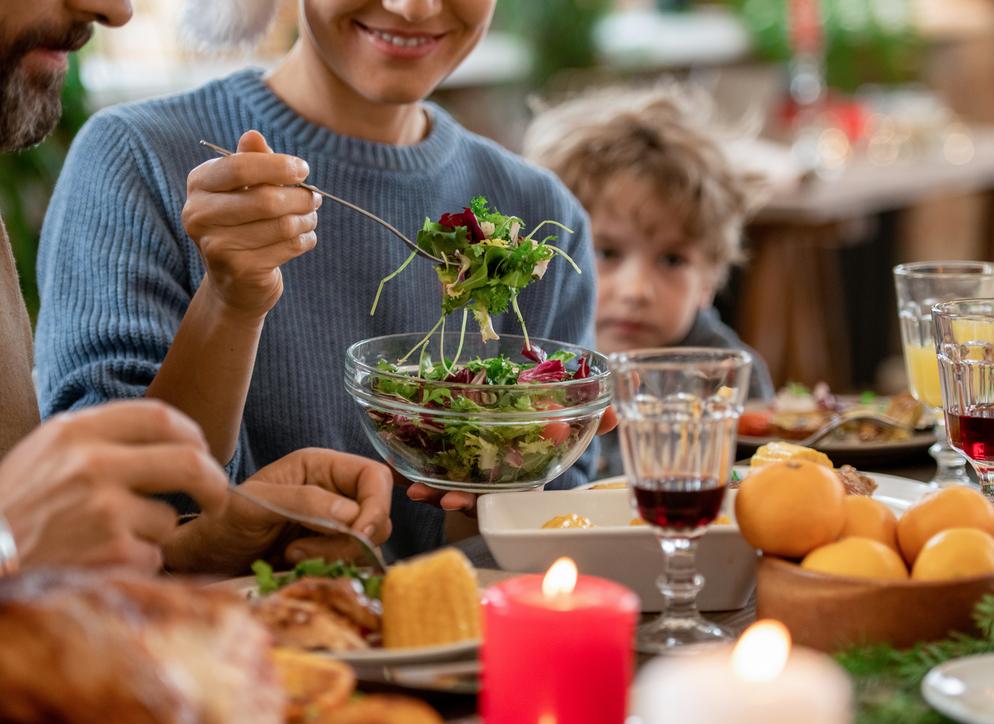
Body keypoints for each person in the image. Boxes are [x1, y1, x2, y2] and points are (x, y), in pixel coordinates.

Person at [36, 0, 613, 557]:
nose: (412, 8)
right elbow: (104, 507)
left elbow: (546, 551)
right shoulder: (138, 158)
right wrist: (230, 301)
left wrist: (495, 481)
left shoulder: (543, 219)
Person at [0, 0, 393, 574]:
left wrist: (204, 547)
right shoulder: (133, 151)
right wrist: (12, 539)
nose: (116, 11)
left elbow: (57, 561)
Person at [522, 85, 775, 476]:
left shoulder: (728, 380)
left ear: (708, 279)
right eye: (606, 253)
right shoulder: (523, 367)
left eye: (672, 260)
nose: (636, 291)